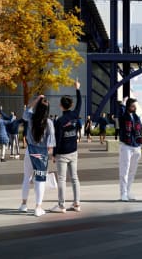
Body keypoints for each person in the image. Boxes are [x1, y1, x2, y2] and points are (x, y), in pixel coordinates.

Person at [18, 94, 55, 216]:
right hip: (41, 153)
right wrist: (51, 155)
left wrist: (36, 100)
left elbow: (26, 111)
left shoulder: (31, 118)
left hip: (30, 151)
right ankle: (38, 207)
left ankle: (24, 204)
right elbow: (51, 144)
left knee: (26, 178)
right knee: (40, 180)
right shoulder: (49, 123)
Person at [53, 80, 83, 212]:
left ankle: (61, 205)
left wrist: (54, 154)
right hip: (73, 151)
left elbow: (57, 139)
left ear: (61, 106)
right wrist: (77, 89)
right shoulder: (75, 115)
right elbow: (80, 103)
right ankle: (77, 203)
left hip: (63, 153)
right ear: (71, 105)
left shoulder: (60, 121)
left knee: (61, 179)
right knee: (74, 177)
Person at [117, 97, 142, 201]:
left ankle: (128, 192)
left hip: (136, 146)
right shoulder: (124, 116)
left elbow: (139, 130)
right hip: (126, 146)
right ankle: (123, 193)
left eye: (135, 105)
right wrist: (122, 104)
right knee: (124, 170)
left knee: (132, 171)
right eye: (132, 105)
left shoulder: (136, 117)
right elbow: (121, 112)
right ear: (128, 106)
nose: (134, 107)